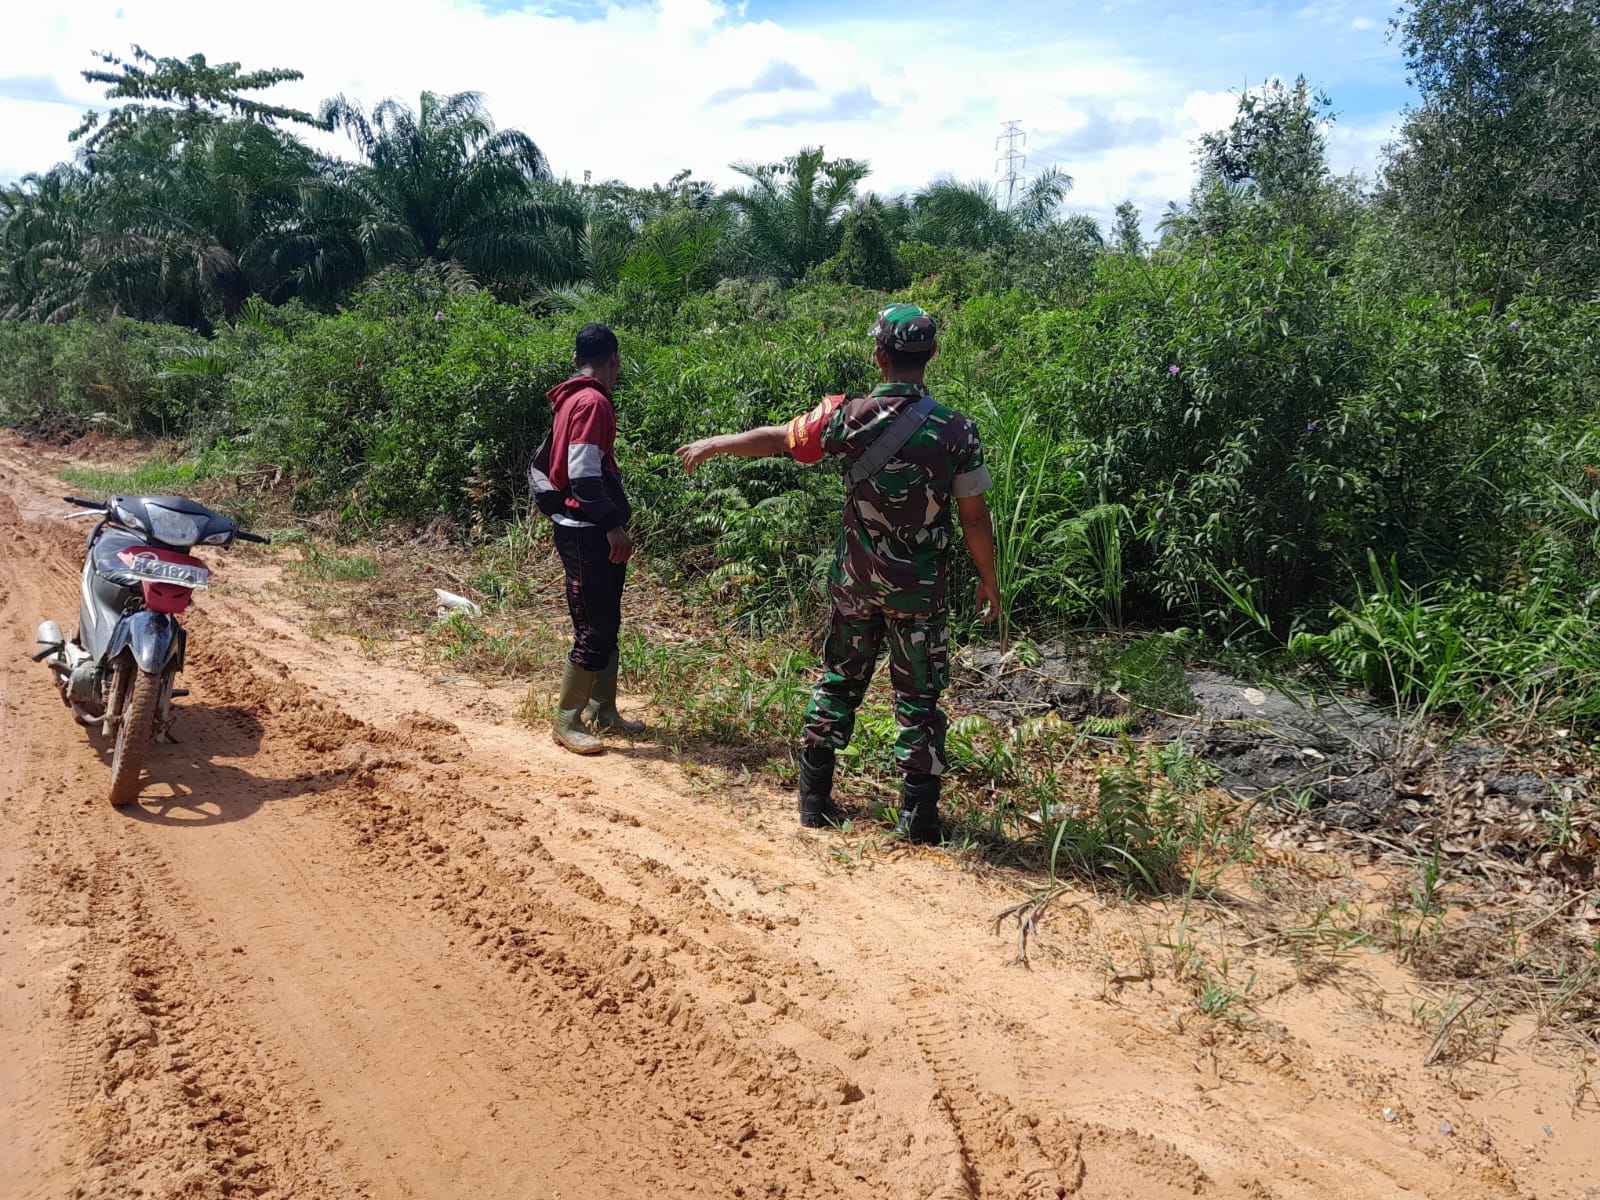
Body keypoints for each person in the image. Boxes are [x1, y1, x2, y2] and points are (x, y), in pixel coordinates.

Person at [675, 303, 1000, 842]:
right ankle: (919, 819)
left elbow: (780, 439)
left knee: (839, 681)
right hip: (919, 592)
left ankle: (813, 800)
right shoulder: (956, 430)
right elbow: (974, 516)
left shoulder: (848, 417)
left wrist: (717, 443)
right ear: (932, 355)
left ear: (880, 357)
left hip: (855, 583)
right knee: (918, 698)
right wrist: (989, 579)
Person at [543, 322, 644, 754]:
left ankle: (603, 709)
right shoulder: (591, 403)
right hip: (585, 532)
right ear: (615, 360)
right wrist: (612, 525)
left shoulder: (571, 398)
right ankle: (567, 722)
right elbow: (583, 476)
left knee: (607, 621)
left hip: (588, 529)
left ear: (576, 359)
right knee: (593, 627)